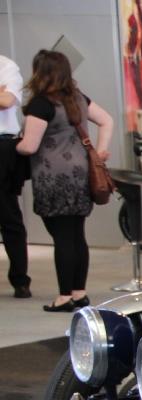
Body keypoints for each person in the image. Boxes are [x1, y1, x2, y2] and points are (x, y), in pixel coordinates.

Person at [16, 50, 112, 312]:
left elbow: (29, 146)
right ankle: (79, 293)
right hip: (82, 175)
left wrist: (15, 145)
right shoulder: (78, 98)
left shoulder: (41, 104)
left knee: (62, 237)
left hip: (53, 178)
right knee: (77, 234)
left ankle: (63, 296)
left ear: (40, 72)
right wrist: (101, 150)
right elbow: (107, 121)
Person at [0, 52, 29, 298]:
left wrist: (3, 95)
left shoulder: (6, 66)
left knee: (8, 215)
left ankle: (20, 279)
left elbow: (7, 100)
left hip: (3, 147)